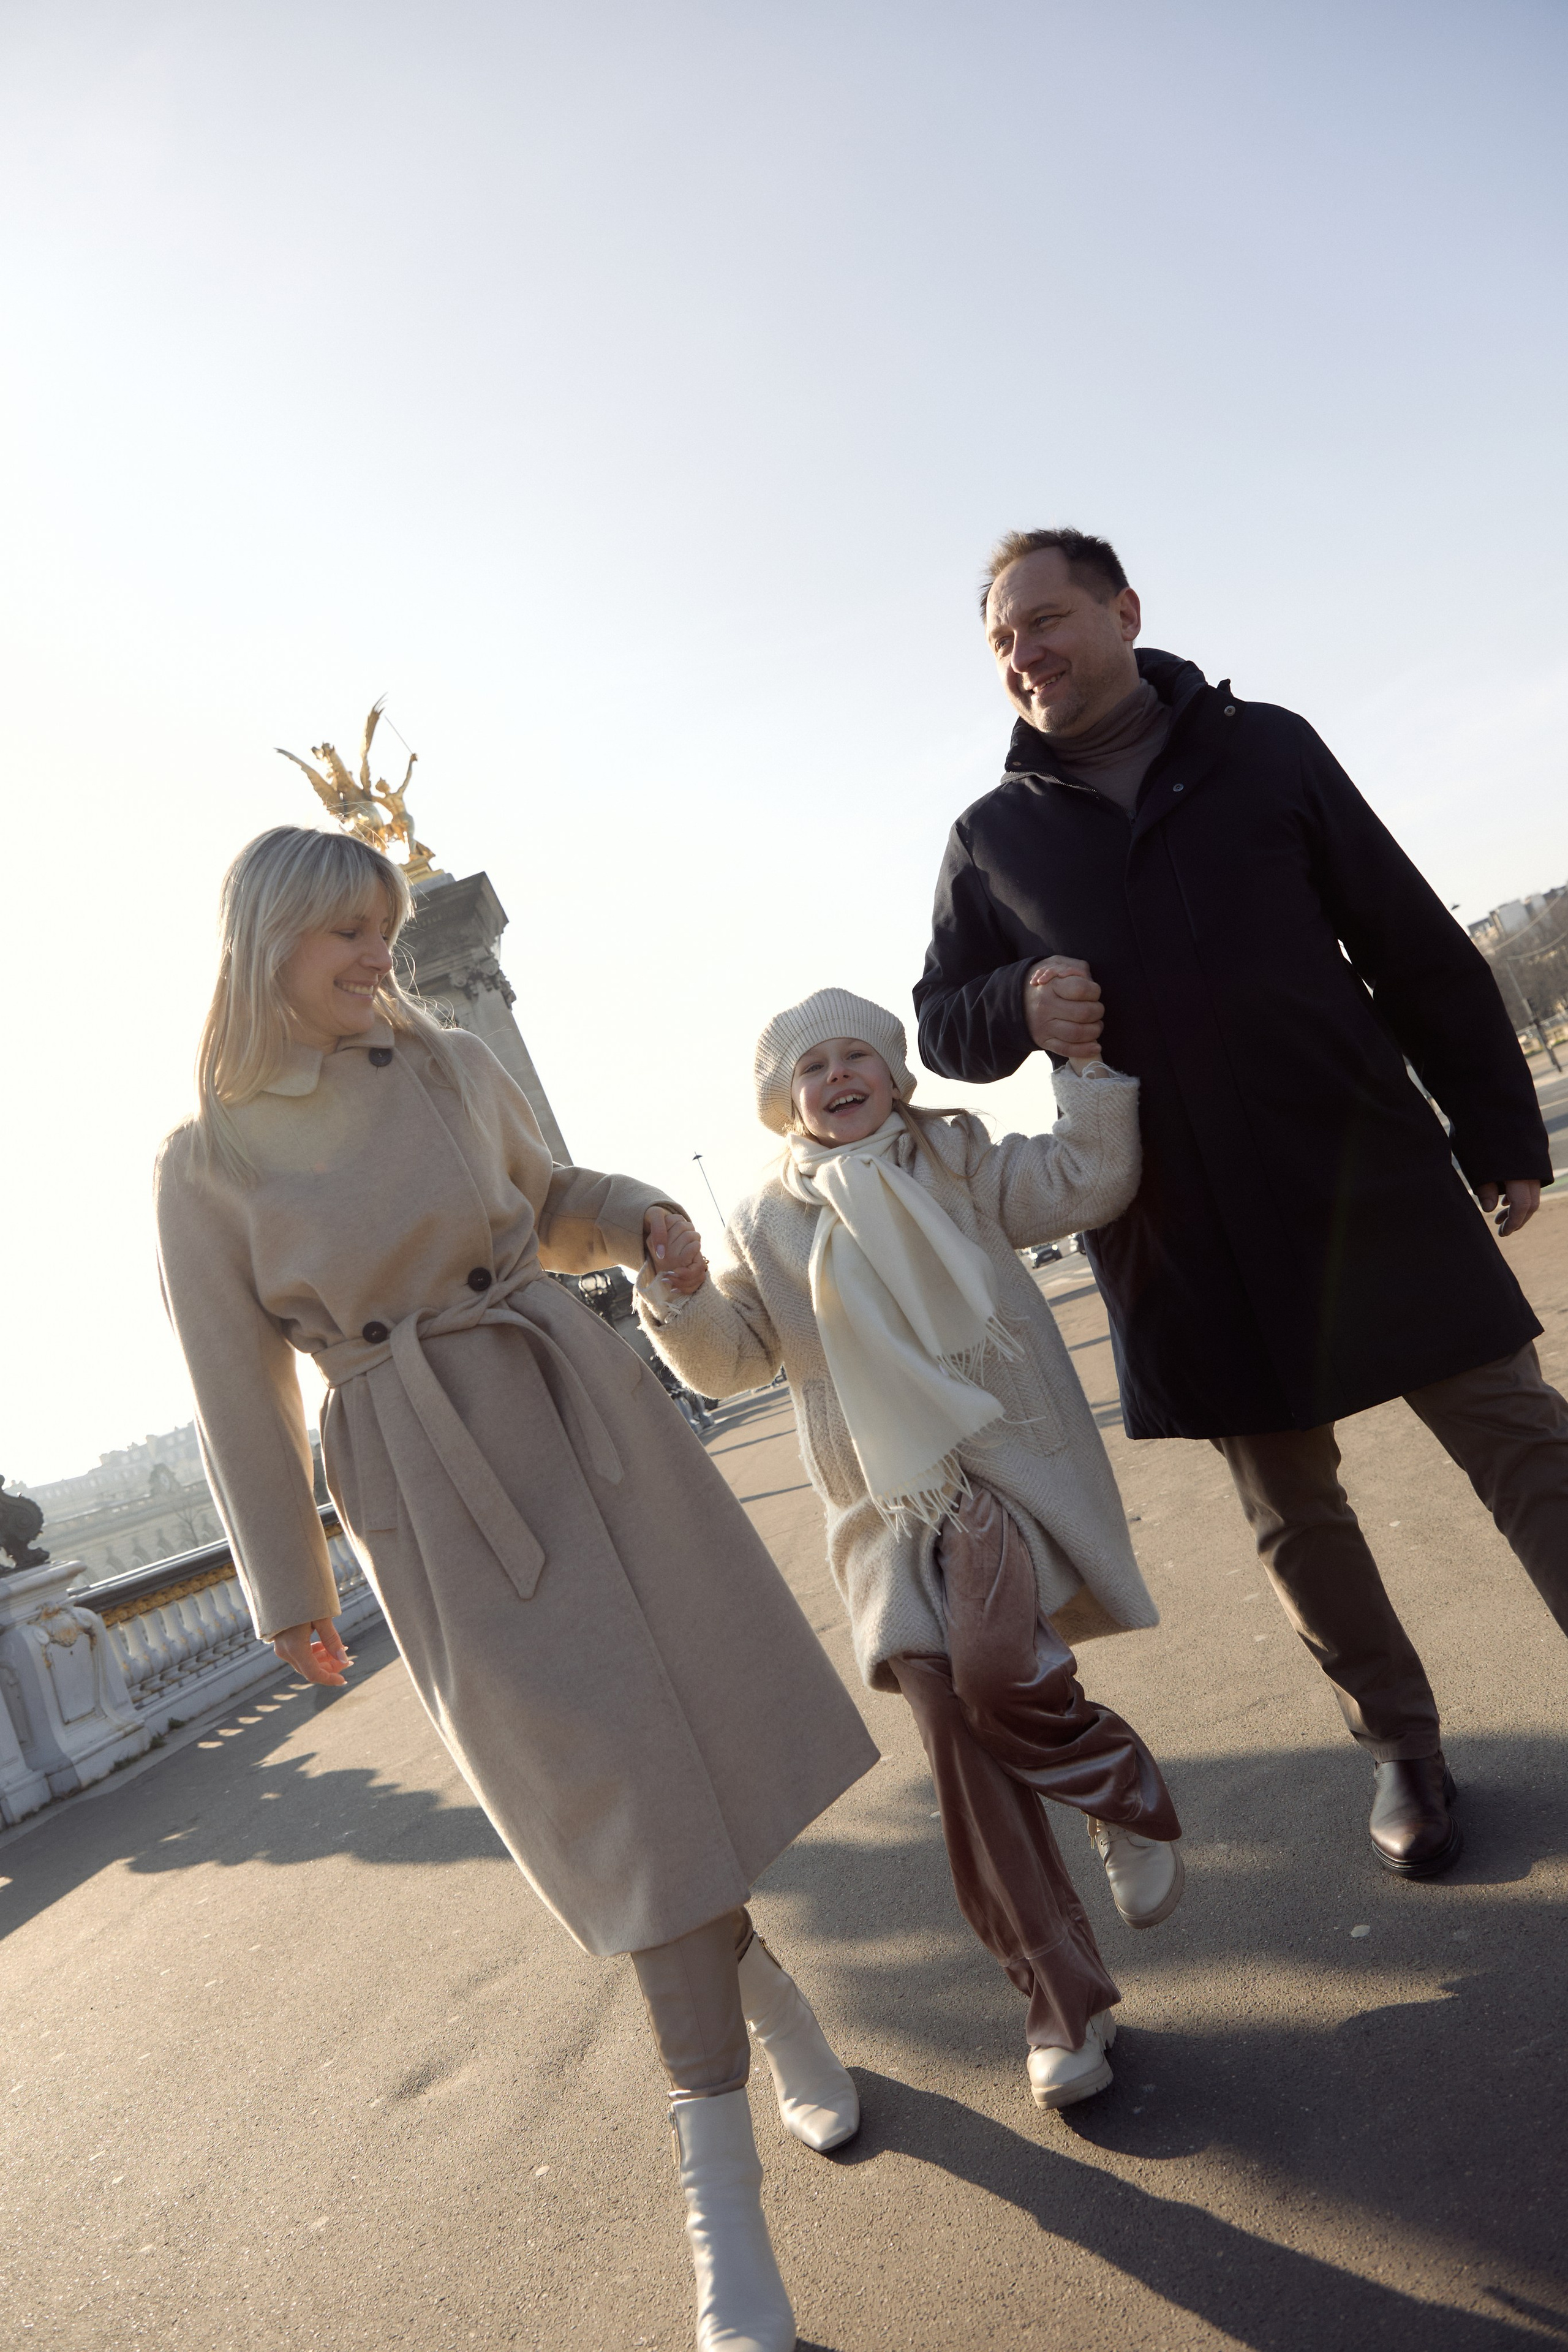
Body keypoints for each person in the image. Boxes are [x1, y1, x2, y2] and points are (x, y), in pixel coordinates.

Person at [155, 826, 880, 2352]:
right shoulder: (204, 1160)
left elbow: (545, 1196)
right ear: (269, 943)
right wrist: (290, 1582)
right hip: (430, 1486)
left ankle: (768, 2026)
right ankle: (726, 2193)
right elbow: (240, 1394)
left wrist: (630, 1218)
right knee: (615, 1802)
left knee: (687, 1758)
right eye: (349, 933)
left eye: (385, 930)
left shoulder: (442, 1060)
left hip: (585, 1415)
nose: (378, 958)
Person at [914, 526, 1568, 1880]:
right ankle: (1400, 1750)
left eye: (1044, 621)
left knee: (1523, 1445)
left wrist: (1496, 1125)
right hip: (1183, 1225)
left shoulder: (1265, 747)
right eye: (999, 640)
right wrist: (1012, 1000)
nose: (1022, 654)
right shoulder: (991, 837)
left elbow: (1408, 943)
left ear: (1122, 612)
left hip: (1364, 1173)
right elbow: (940, 1028)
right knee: (1292, 1510)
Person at [636, 987, 1182, 2113]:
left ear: (895, 1073)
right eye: (811, 1067)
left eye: (858, 1057)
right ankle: (1060, 2005)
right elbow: (736, 1359)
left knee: (994, 1674)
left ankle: (1112, 1780)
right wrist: (677, 1294)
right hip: (886, 1504)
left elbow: (1088, 1181)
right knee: (952, 1731)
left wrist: (1081, 1073)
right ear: (782, 1100)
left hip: (1002, 1465)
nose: (838, 1077)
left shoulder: (963, 1156)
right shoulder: (762, 1222)